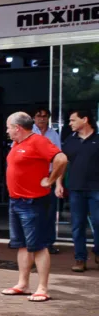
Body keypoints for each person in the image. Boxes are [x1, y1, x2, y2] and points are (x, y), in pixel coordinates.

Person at [1, 112, 69, 302]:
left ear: (17, 128)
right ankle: (23, 284)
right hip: (16, 201)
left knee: (38, 246)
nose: (7, 131)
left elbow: (61, 159)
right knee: (22, 245)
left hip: (33, 202)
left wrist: (51, 180)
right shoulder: (17, 143)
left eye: (8, 127)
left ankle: (43, 288)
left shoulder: (38, 141)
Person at [58, 109, 99, 272]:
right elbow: (62, 164)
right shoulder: (69, 141)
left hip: (96, 188)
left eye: (73, 120)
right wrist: (59, 184)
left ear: (85, 119)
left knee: (98, 222)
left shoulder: (98, 139)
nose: (70, 123)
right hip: (75, 189)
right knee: (77, 225)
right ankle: (80, 258)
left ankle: (97, 251)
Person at [34, 107, 62, 254]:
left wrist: (57, 181)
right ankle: (33, 242)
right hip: (33, 176)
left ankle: (48, 243)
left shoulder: (53, 134)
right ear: (33, 117)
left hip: (49, 175)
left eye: (45, 116)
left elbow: (60, 158)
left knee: (49, 211)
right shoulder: (28, 132)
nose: (42, 119)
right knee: (33, 211)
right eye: (39, 115)